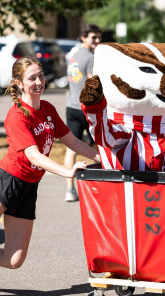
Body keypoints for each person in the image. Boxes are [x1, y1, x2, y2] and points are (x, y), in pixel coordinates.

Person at [0, 57, 100, 270]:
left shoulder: (48, 109)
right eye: (32, 78)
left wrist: (104, 159)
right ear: (19, 83)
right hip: (6, 181)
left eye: (40, 76)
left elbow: (73, 141)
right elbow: (34, 156)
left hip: (28, 187)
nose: (39, 81)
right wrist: (68, 172)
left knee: (13, 260)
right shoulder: (17, 116)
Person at [64, 23, 102, 202]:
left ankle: (70, 190)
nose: (97, 40)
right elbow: (92, 85)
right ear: (83, 37)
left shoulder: (72, 55)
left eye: (98, 37)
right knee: (99, 147)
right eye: (93, 37)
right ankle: (100, 186)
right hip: (86, 109)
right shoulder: (90, 57)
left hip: (71, 106)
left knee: (71, 148)